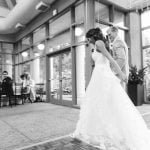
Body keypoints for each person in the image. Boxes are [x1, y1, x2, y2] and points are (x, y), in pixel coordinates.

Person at [71, 28, 150, 150]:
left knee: (105, 102)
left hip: (102, 75)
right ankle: (106, 130)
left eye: (88, 38)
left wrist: (121, 73)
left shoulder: (98, 43)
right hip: (99, 75)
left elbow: (111, 59)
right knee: (104, 103)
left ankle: (113, 131)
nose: (87, 40)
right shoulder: (100, 43)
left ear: (92, 36)